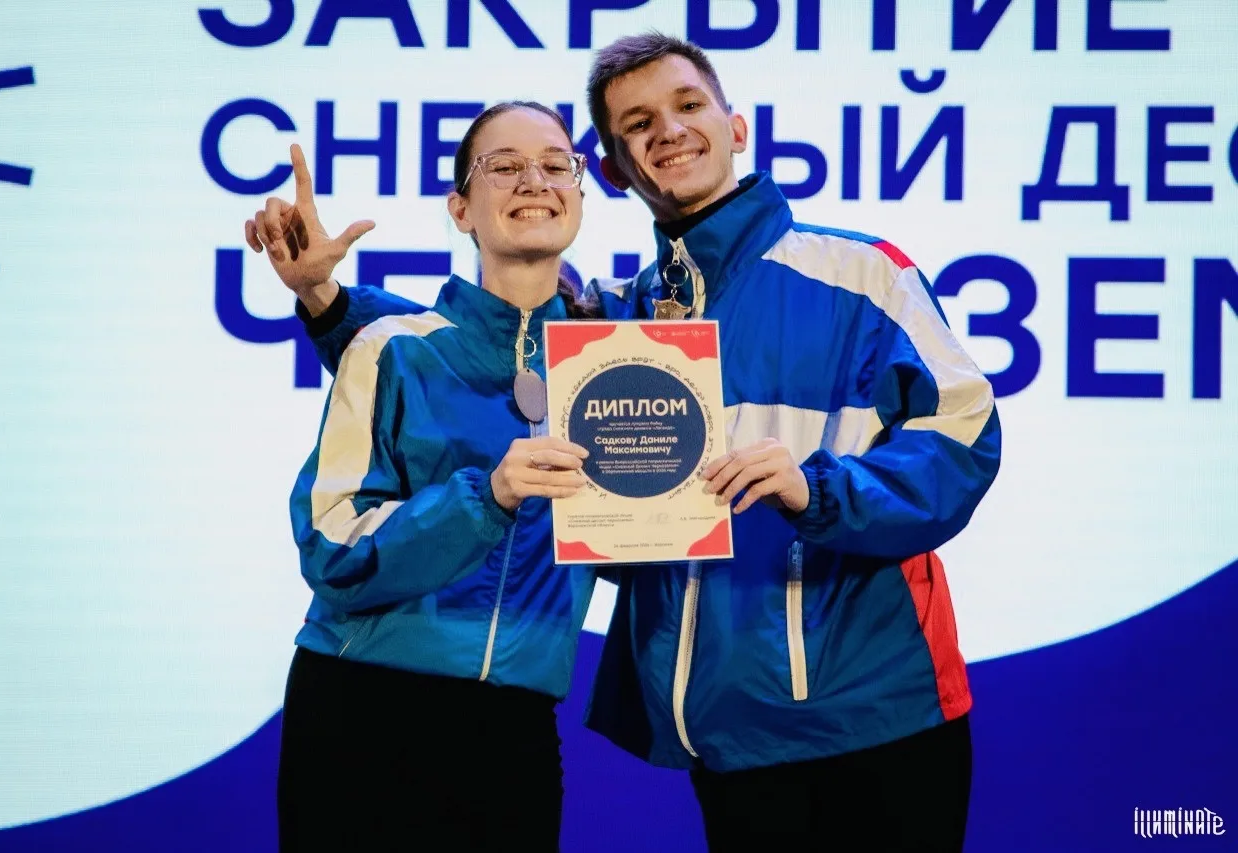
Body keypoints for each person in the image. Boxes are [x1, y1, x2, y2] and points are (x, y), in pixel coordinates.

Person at [297, 34, 1002, 853]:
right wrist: (329, 302)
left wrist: (820, 489)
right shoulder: (620, 319)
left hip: (875, 711)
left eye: (688, 105)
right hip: (725, 736)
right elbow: (475, 347)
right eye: (637, 123)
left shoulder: (861, 272)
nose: (668, 129)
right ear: (615, 168)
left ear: (737, 126)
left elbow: (964, 438)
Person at [244, 101, 600, 852]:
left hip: (516, 725)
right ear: (460, 209)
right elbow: (332, 547)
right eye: (504, 166)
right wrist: (486, 497)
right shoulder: (390, 350)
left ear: (579, 192)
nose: (534, 180)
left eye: (555, 164)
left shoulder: (617, 370)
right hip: (365, 708)